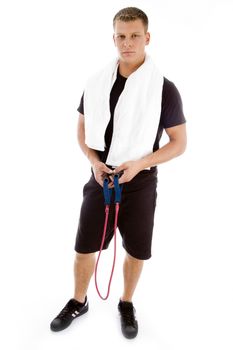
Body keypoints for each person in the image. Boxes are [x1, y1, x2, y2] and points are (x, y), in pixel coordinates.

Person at [50, 6, 187, 339]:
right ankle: (78, 300)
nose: (128, 43)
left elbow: (179, 142)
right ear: (114, 38)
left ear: (147, 38)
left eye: (135, 36)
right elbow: (81, 131)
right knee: (84, 246)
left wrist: (140, 163)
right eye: (121, 37)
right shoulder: (96, 82)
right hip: (101, 177)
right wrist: (94, 162)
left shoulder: (164, 89)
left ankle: (126, 303)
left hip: (140, 181)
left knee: (136, 249)